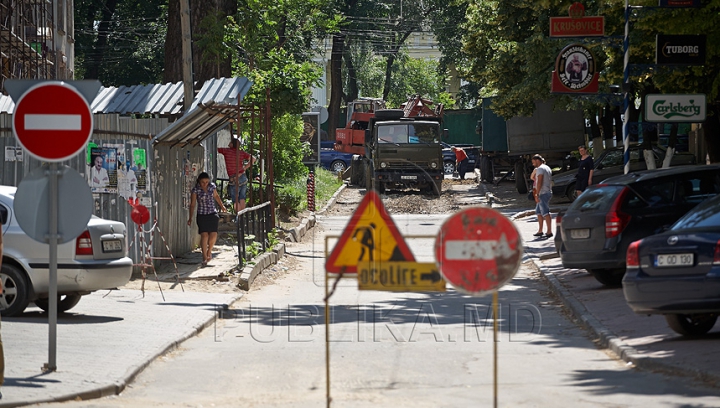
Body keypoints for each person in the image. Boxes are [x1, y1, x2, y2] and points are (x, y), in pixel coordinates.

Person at [188, 172, 227, 267]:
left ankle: (209, 251)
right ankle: (204, 257)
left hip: (212, 213)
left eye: (206, 182)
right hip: (202, 214)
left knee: (213, 234)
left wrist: (222, 206)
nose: (205, 184)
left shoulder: (212, 186)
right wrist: (190, 218)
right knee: (204, 235)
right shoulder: (195, 190)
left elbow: (216, 196)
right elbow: (192, 205)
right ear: (199, 182)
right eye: (203, 182)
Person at [218, 138, 256, 212]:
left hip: (234, 178)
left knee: (235, 199)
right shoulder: (241, 153)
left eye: (230, 142)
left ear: (232, 144)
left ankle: (238, 216)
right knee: (242, 198)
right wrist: (244, 168)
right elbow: (253, 159)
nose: (229, 143)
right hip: (242, 176)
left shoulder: (226, 151)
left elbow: (215, 149)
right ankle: (242, 216)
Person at [532, 154, 553, 238]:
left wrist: (537, 193)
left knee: (545, 212)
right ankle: (540, 230)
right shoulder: (547, 167)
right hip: (547, 191)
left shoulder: (540, 169)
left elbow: (539, 182)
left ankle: (549, 231)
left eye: (534, 162)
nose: (533, 164)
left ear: (537, 161)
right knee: (538, 212)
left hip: (543, 193)